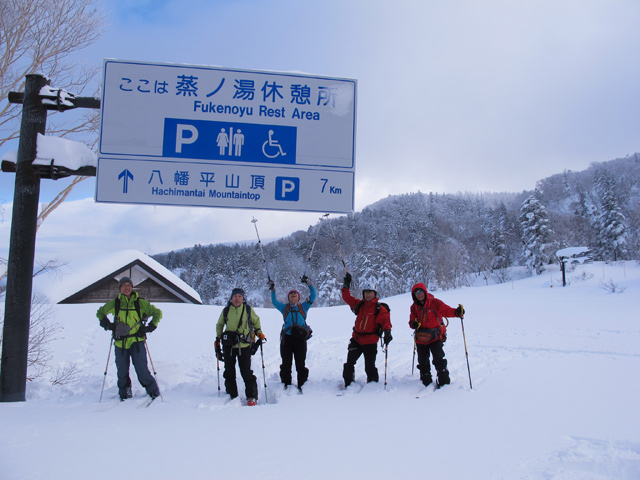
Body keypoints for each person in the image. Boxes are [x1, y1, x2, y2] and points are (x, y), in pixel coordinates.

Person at [96, 276, 162, 401]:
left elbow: (157, 313)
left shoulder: (139, 303)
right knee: (122, 372)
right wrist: (108, 325)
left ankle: (154, 392)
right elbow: (100, 312)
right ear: (120, 288)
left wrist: (150, 327)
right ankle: (125, 394)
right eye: (124, 285)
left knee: (142, 370)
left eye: (129, 285)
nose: (127, 288)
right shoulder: (115, 303)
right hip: (120, 343)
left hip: (137, 342)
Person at [340, 272, 392, 387]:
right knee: (349, 363)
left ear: (374, 293)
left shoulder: (379, 308)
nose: (368, 295)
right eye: (366, 292)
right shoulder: (360, 305)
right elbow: (347, 297)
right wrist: (346, 285)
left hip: (370, 342)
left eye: (370, 292)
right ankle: (348, 383)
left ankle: (372, 386)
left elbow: (385, 321)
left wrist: (387, 332)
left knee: (369, 366)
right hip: (357, 339)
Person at [215, 288, 265, 406]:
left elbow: (256, 321)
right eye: (235, 296)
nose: (237, 299)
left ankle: (252, 396)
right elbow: (220, 325)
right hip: (229, 346)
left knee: (246, 372)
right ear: (231, 298)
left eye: (239, 297)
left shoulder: (248, 310)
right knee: (229, 371)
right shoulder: (226, 311)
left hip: (244, 345)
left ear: (243, 299)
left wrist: (259, 332)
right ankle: (232, 394)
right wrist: (218, 339)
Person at [409, 282, 465, 388]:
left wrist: (457, 312)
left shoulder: (435, 302)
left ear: (425, 292)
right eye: (416, 292)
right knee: (422, 360)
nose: (419, 294)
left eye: (421, 291)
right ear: (414, 295)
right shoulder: (414, 307)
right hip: (421, 338)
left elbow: (446, 310)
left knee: (438, 358)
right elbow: (411, 320)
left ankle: (444, 381)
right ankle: (425, 380)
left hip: (436, 336)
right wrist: (413, 324)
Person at [268, 275, 317, 391]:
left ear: (299, 297)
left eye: (295, 294)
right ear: (288, 298)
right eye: (291, 294)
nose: (293, 294)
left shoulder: (303, 307)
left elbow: (313, 296)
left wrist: (309, 284)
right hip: (287, 339)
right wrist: (273, 290)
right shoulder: (284, 308)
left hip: (300, 339)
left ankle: (302, 384)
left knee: (300, 363)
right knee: (286, 363)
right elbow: (274, 301)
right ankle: (286, 384)